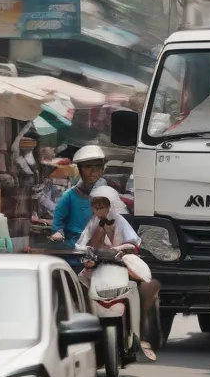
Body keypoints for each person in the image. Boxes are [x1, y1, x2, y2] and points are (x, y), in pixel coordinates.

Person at [78, 185, 161, 360]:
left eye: (103, 204)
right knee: (79, 289)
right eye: (96, 204)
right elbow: (82, 242)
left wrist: (121, 249)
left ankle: (138, 333)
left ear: (111, 205)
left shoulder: (120, 221)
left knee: (142, 284)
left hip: (120, 262)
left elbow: (132, 242)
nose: (99, 207)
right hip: (98, 264)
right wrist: (87, 251)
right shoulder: (93, 222)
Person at [51, 145, 107, 247]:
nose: (93, 170)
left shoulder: (107, 194)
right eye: (88, 166)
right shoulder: (69, 196)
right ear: (80, 169)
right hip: (73, 249)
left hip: (99, 249)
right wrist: (58, 233)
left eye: (97, 166)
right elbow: (57, 225)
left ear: (102, 169)